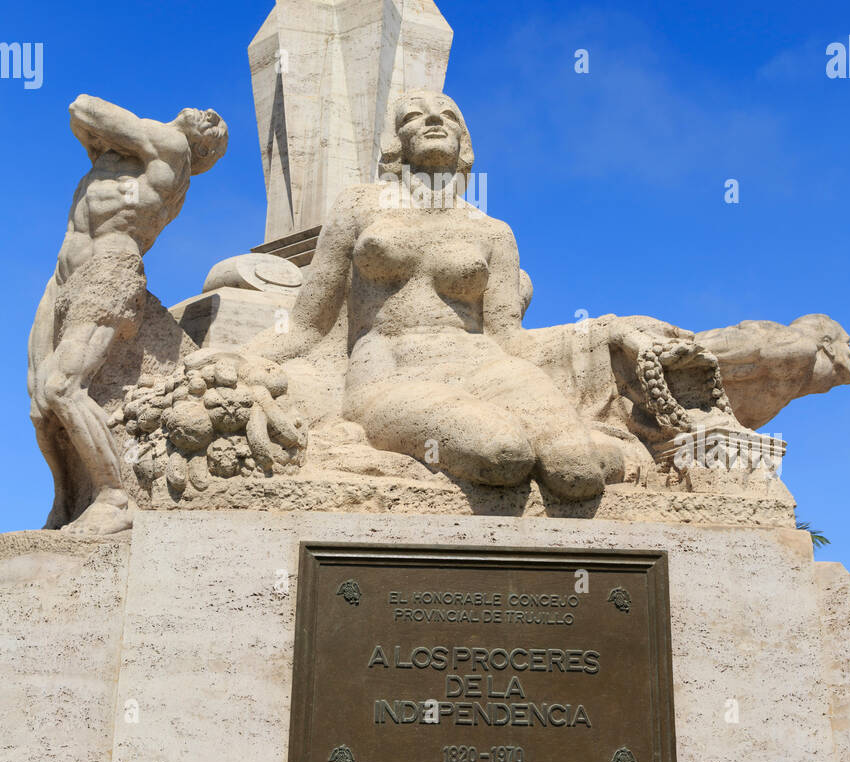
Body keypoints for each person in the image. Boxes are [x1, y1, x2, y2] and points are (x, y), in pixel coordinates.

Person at [250, 90, 623, 500]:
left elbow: (509, 337)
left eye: (449, 116)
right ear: (396, 141)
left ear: (463, 140)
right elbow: (307, 324)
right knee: (503, 453)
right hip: (390, 370)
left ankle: (588, 447)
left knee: (577, 470)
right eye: (415, 115)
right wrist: (242, 360)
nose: (434, 121)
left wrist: (605, 333)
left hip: (485, 365)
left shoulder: (493, 231)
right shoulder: (359, 206)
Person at [28, 95, 228, 535]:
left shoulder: (172, 147)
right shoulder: (128, 156)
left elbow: (81, 108)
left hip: (109, 267)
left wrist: (106, 141)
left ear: (204, 155)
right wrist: (109, 146)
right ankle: (66, 503)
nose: (210, 114)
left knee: (62, 387)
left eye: (216, 130)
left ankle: (114, 496)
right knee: (41, 406)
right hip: (62, 277)